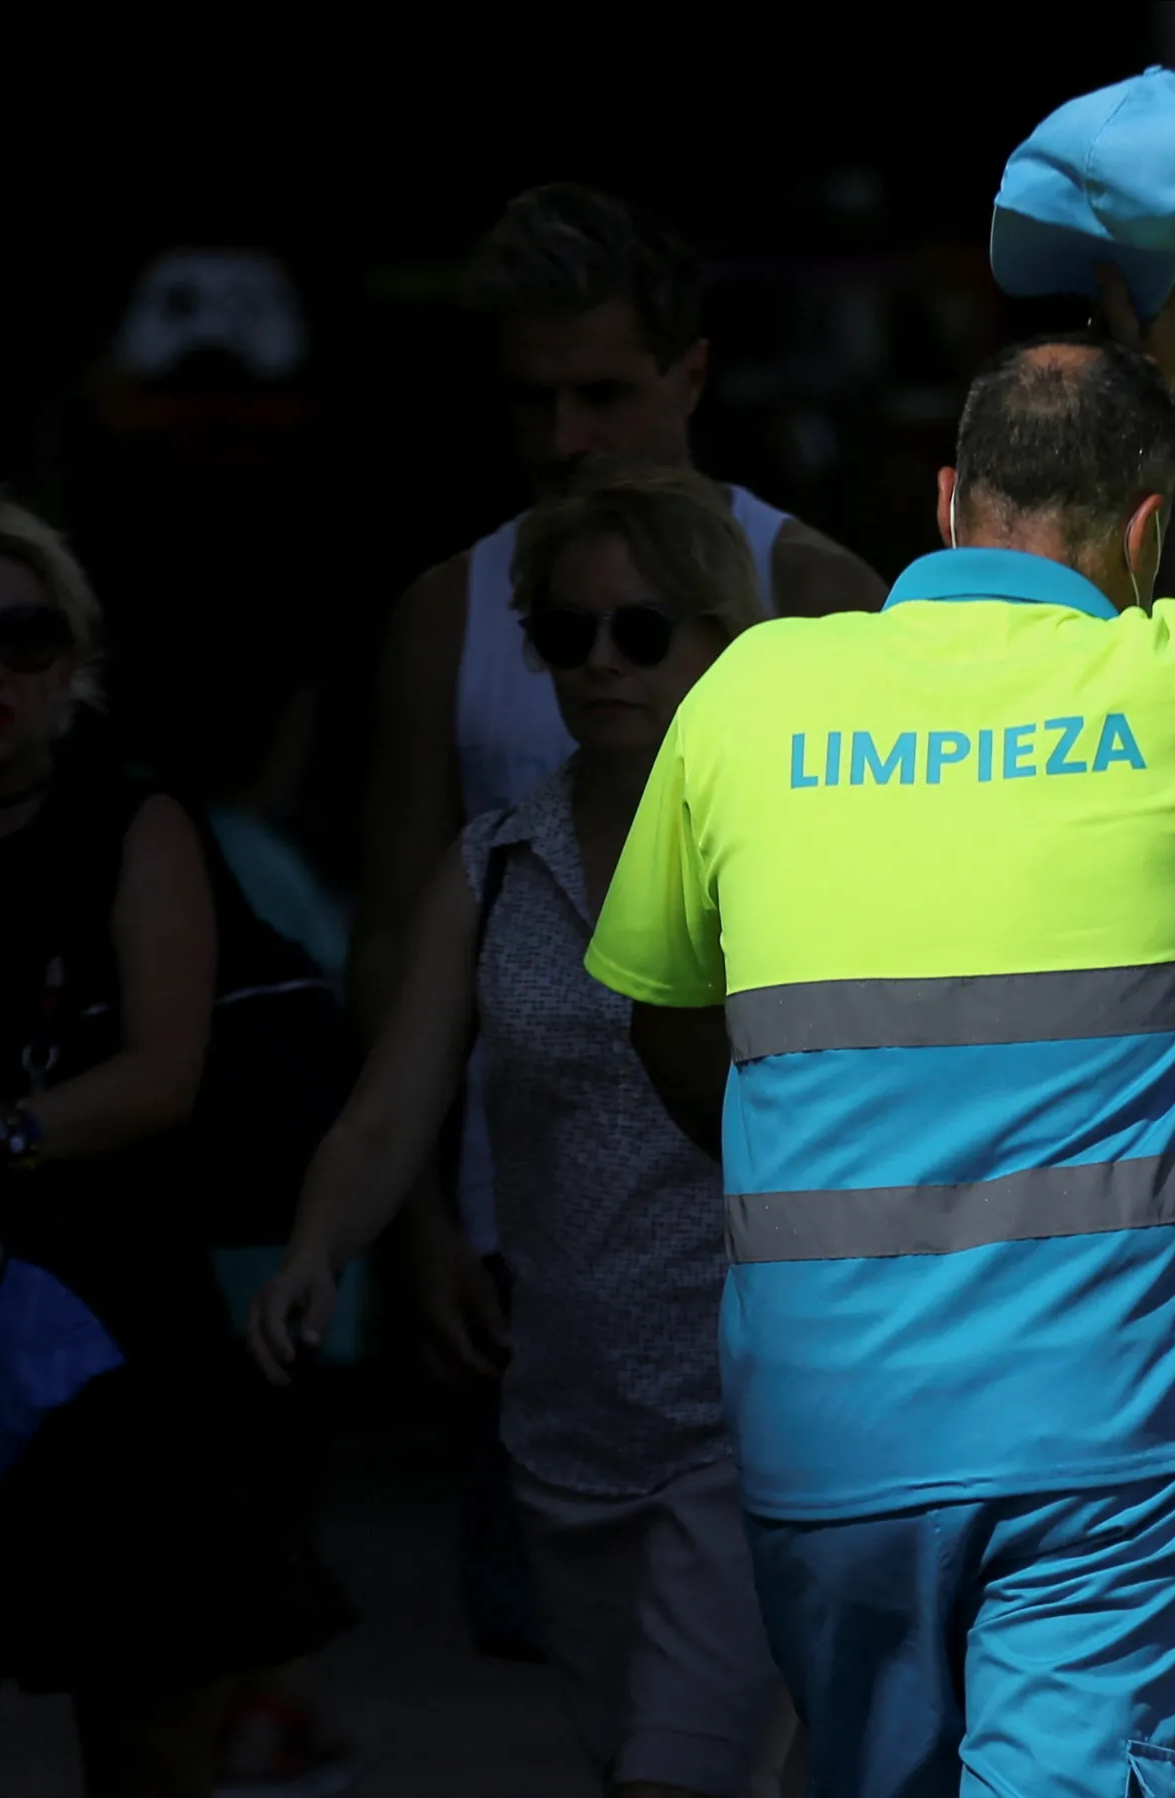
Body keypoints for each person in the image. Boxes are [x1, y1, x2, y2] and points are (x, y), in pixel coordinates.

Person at [585, 264, 1175, 1797]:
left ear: (946, 500)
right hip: (1102, 1421)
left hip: (831, 1417)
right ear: (1145, 533)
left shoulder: (750, 692)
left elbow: (664, 1012)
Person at [251, 463, 794, 1797]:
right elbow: (392, 1102)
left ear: (721, 639)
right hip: (567, 1424)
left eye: (641, 629)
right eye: (566, 632)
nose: (601, 662)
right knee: (646, 1764)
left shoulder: (788, 850)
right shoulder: (495, 865)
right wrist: (321, 1246)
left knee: (677, 1771)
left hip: (756, 1417)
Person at [0, 490, 346, 1798]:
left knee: (153, 1739)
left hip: (121, 1339)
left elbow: (163, 1075)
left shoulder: (132, 825)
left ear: (74, 662)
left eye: (23, 636)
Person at [354, 186, 889, 1382]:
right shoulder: (449, 612)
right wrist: (421, 1228)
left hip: (785, 1234)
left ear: (690, 377)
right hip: (529, 1245)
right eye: (530, 400)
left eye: (602, 394)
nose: (565, 439)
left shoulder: (815, 591)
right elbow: (391, 941)